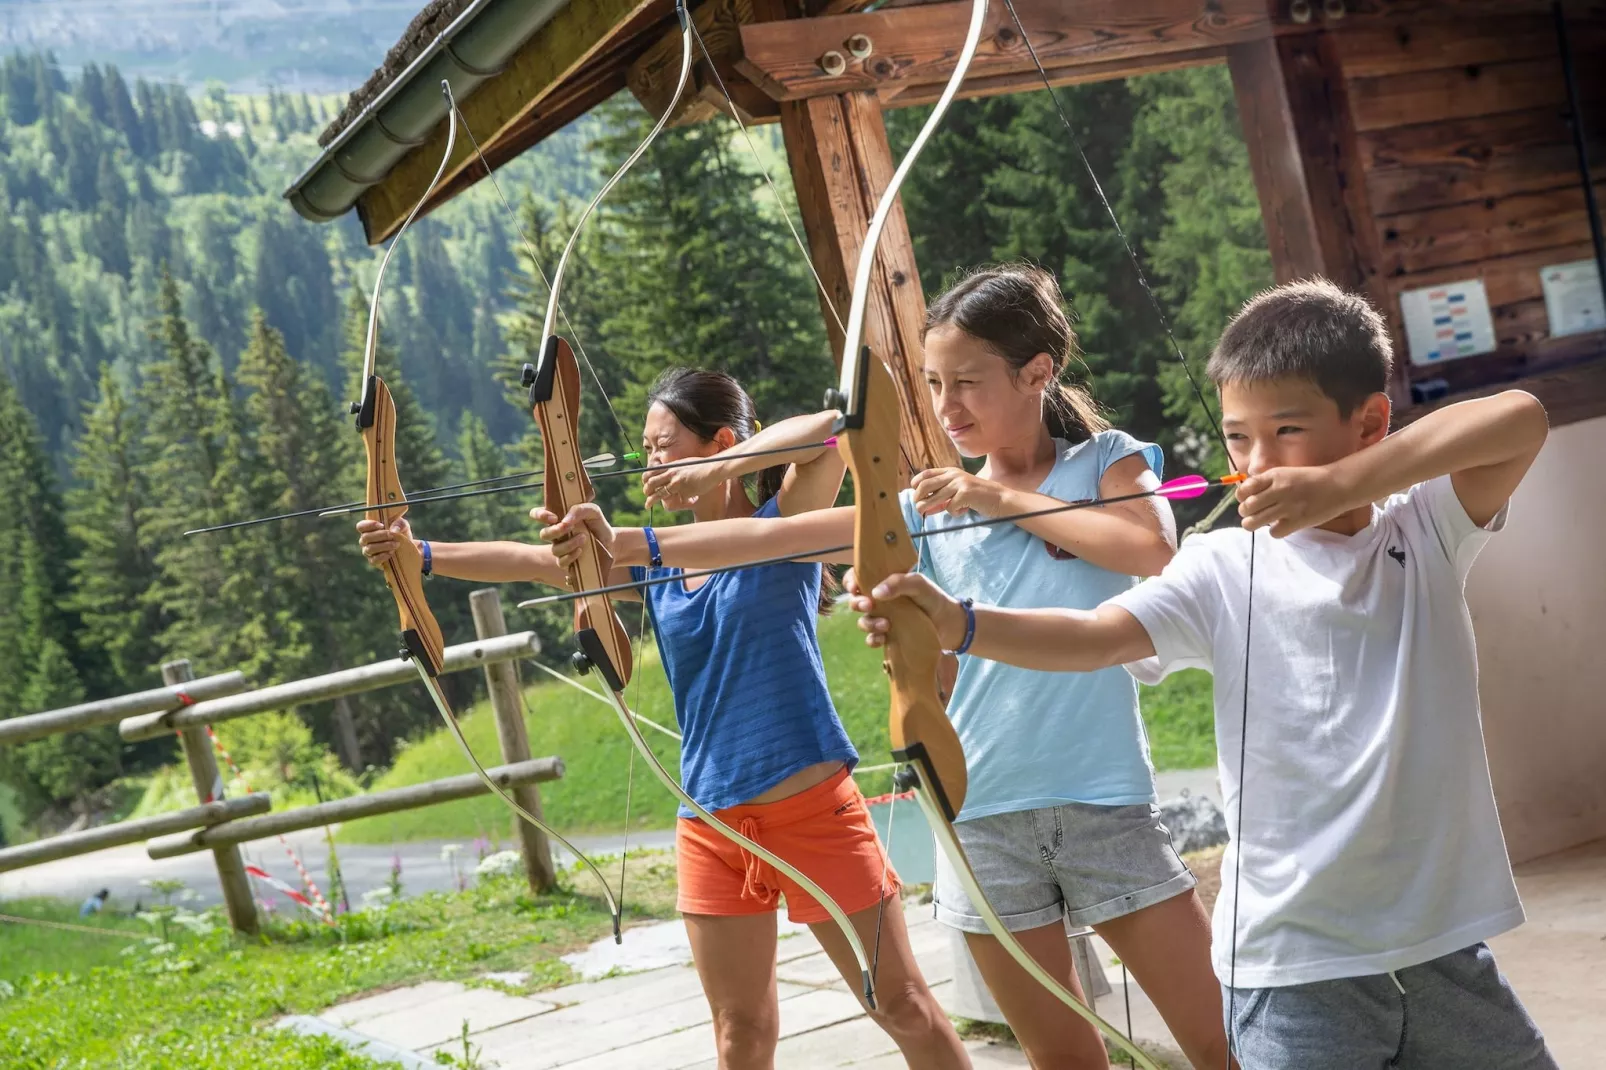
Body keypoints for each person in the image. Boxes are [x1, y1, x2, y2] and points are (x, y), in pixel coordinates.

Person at [851, 278, 1558, 1070]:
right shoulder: (1220, 564)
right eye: (1236, 438)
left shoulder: (1423, 527)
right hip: (1292, 971)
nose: (1257, 463)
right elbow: (1094, 636)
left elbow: (1520, 418)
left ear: (1369, 424)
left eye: (1286, 431)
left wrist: (1342, 483)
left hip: (1441, 953)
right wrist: (961, 624)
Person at [555, 265, 1232, 1069]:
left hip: (1103, 807)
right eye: (935, 384)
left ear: (1037, 372)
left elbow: (1150, 548)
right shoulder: (916, 512)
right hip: (978, 818)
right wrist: (617, 544)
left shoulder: (1103, 464)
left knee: (1226, 1052)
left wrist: (990, 500)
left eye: (968, 383)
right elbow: (768, 542)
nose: (947, 408)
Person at [358, 368, 968, 1070]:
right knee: (740, 1031)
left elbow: (833, 435)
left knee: (903, 1006)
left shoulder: (784, 527)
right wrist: (421, 555)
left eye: (663, 445)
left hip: (810, 809)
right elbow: (539, 565)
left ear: (721, 443)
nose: (650, 463)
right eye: (645, 450)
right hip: (709, 826)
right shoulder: (653, 557)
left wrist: (732, 465)